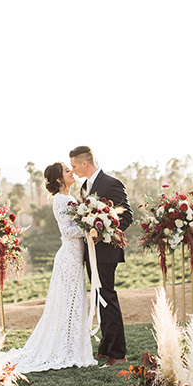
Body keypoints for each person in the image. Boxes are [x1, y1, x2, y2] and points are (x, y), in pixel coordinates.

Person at [6, 161, 97, 373]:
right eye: (67, 171)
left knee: (72, 303)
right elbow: (67, 231)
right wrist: (89, 225)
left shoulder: (71, 199)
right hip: (69, 258)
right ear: (58, 179)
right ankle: (67, 350)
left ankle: (73, 347)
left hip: (75, 256)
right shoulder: (60, 200)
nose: (72, 172)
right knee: (68, 303)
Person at [69, 145, 133, 367]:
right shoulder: (85, 187)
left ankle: (118, 353)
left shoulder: (111, 183)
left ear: (84, 163)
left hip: (106, 252)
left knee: (107, 298)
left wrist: (105, 233)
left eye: (74, 166)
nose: (73, 170)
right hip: (91, 252)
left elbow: (127, 217)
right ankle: (106, 348)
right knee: (99, 298)